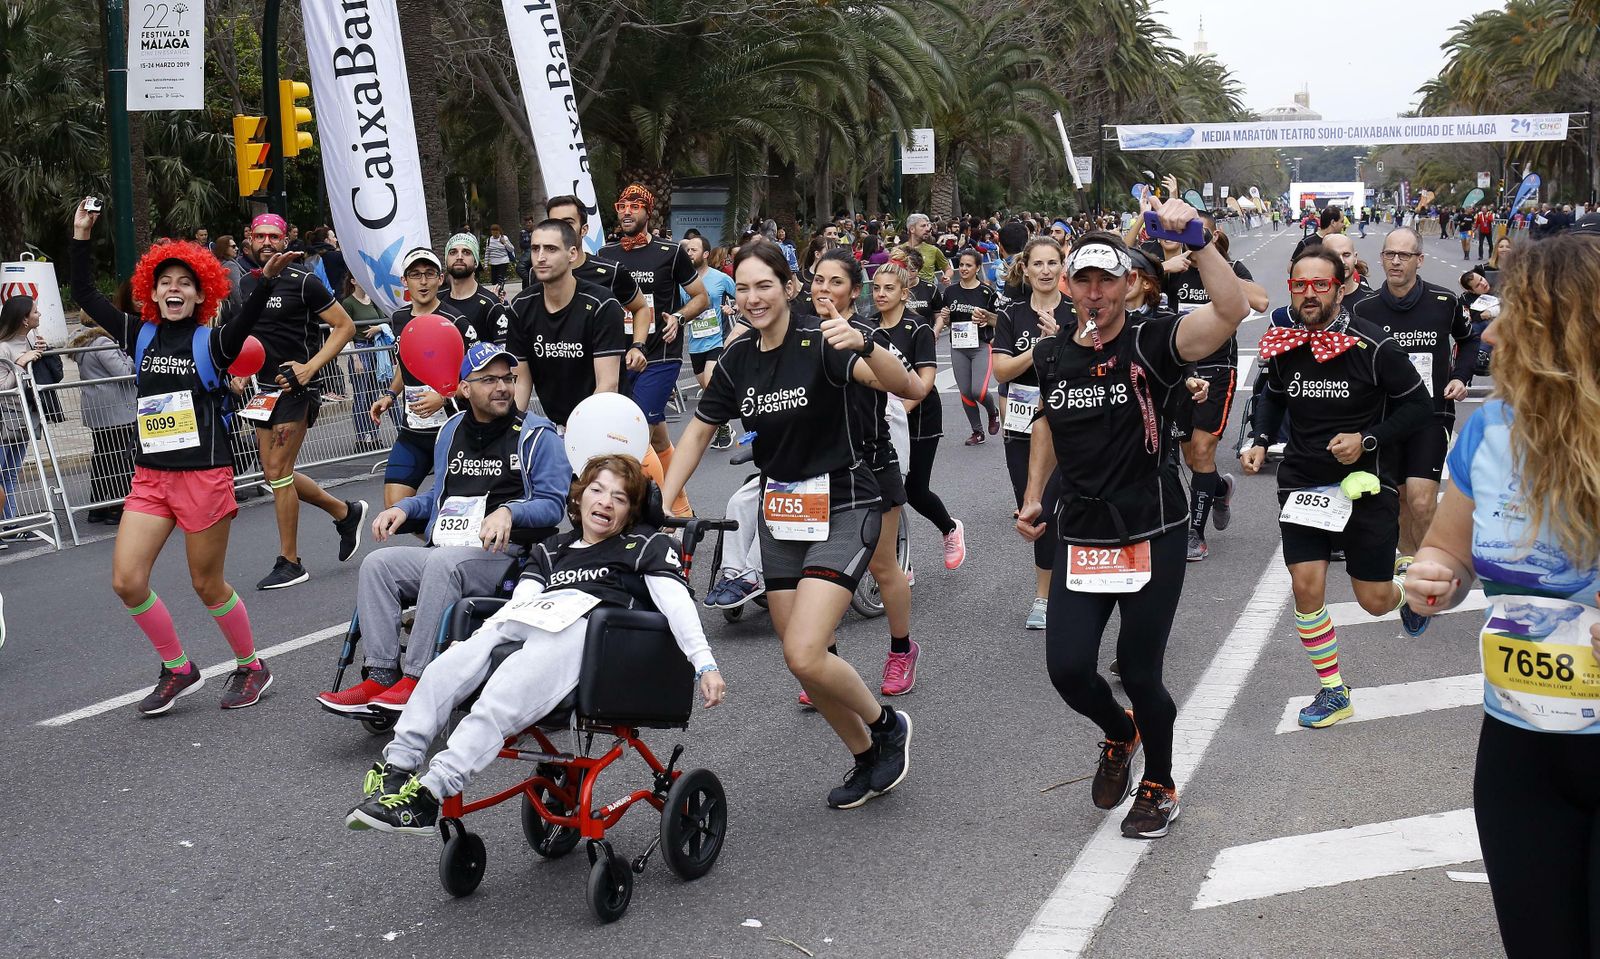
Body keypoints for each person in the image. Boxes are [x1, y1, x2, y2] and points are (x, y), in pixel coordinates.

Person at [1015, 213, 1250, 840]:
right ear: (1067, 287)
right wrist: (1035, 495)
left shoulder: (1153, 342)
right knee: (1067, 669)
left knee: (1138, 669)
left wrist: (1197, 244)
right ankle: (1121, 733)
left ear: (1129, 287)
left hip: (1153, 527)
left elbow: (1229, 313)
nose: (1096, 292)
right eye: (1084, 280)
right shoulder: (1053, 354)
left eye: (1107, 281)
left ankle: (1160, 785)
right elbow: (1047, 424)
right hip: (1082, 530)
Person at [661, 243, 920, 809]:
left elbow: (906, 388)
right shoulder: (737, 360)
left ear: (789, 288)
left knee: (806, 653)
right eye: (744, 288)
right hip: (782, 512)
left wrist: (868, 343)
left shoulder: (820, 341)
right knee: (798, 656)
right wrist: (664, 498)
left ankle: (885, 726)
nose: (753, 299)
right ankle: (865, 755)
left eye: (765, 286)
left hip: (846, 503)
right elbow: (699, 433)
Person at [1401, 234, 1600, 959]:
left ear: (1557, 326)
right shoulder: (1487, 432)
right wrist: (1433, 577)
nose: (1486, 331)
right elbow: (1448, 548)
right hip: (1521, 747)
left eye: (1505, 313)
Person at [345, 454, 724, 833]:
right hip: (537, 619)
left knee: (507, 686)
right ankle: (397, 769)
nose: (606, 502)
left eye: (619, 498)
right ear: (579, 498)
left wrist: (704, 664)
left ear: (630, 512)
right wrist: (487, 635)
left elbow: (677, 605)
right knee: (448, 664)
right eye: (597, 490)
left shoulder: (645, 545)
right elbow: (521, 604)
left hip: (593, 634)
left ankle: (430, 793)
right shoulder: (552, 549)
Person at [71, 199, 293, 713]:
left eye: (185, 282)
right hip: (150, 478)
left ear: (200, 294)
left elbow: (245, 325)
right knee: (127, 581)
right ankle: (178, 667)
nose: (174, 288)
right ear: (152, 292)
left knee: (206, 583)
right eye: (165, 281)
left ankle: (252, 665)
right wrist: (82, 235)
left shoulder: (212, 342)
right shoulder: (139, 334)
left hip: (203, 476)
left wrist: (262, 280)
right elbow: (83, 292)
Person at [1240, 245, 1433, 730]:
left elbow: (1419, 408)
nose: (1308, 294)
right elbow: (1272, 399)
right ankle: (1333, 690)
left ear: (1342, 286)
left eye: (1319, 284)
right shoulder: (1284, 346)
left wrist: (1368, 438)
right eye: (1299, 285)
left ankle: (1405, 597)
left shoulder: (1375, 348)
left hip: (1363, 484)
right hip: (1303, 482)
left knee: (1372, 601)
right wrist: (1260, 439)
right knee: (1306, 586)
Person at [317, 343, 568, 713]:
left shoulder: (537, 435)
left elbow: (553, 504)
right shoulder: (451, 430)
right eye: (489, 380)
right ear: (465, 389)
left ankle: (419, 678)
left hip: (508, 555)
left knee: (442, 563)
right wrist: (403, 509)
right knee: (378, 564)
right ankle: (381, 675)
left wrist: (510, 513)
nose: (501, 387)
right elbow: (438, 495)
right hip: (450, 550)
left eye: (507, 379)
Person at [225, 213, 365, 590]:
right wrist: (238, 371)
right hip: (263, 393)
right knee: (273, 474)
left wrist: (310, 367)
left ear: (286, 239)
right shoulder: (244, 284)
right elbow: (245, 335)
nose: (267, 242)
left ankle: (290, 561)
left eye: (274, 236)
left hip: (296, 389)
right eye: (260, 236)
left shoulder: (303, 281)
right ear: (249, 239)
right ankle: (344, 512)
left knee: (279, 471)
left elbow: (345, 326)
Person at [1353, 227, 1476, 566]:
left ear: (1419, 260)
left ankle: (1430, 565)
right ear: (1381, 258)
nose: (1395, 261)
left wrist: (1460, 376)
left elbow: (1469, 341)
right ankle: (1409, 566)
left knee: (1422, 499)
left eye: (1404, 255)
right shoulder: (1365, 309)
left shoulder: (1445, 301)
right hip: (1386, 417)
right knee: (1402, 499)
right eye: (1389, 254)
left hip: (1431, 413)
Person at [1157, 218, 1269, 561]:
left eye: (1196, 234)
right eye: (1182, 234)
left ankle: (1195, 532)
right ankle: (1219, 489)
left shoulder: (1231, 266)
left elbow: (1261, 302)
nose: (1187, 241)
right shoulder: (1172, 270)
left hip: (1218, 369)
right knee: (1191, 457)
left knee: (1203, 453)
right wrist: (1165, 266)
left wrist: (1214, 266)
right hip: (1178, 371)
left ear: (1212, 235)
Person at [599, 185, 708, 517]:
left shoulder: (670, 252)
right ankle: (683, 509)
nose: (627, 211)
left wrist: (677, 316)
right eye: (622, 205)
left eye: (635, 206)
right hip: (621, 356)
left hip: (661, 354)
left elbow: (701, 298)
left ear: (649, 212)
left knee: (634, 433)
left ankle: (654, 514)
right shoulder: (606, 255)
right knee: (657, 438)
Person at [994, 237, 1072, 630]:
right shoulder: (1011, 315)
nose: (1044, 270)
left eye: (1051, 263)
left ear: (1062, 267)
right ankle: (1048, 592)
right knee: (1035, 509)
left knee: (1057, 505)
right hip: (1020, 425)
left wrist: (1064, 340)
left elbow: (1095, 360)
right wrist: (1043, 346)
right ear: (1025, 269)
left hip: (1069, 424)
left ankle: (1047, 596)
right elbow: (1003, 371)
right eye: (1037, 264)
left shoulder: (1076, 312)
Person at [367, 249, 473, 509]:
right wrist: (391, 395)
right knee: (396, 508)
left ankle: (445, 547)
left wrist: (445, 397)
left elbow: (479, 376)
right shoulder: (399, 318)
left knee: (458, 508)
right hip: (413, 432)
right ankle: (435, 543)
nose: (423, 282)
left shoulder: (456, 321)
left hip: (454, 431)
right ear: (405, 281)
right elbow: (406, 364)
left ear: (440, 279)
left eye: (429, 275)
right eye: (415, 275)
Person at [506, 220, 627, 428]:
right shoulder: (521, 305)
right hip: (557, 423)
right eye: (535, 249)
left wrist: (579, 431)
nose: (541, 257)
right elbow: (521, 381)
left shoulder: (602, 304)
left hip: (607, 420)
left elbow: (608, 384)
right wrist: (511, 429)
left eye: (551, 249)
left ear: (572, 254)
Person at [70, 314, 137, 524]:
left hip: (96, 407)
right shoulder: (103, 342)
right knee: (119, 456)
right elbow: (123, 371)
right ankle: (116, 506)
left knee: (102, 454)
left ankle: (97, 505)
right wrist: (132, 355)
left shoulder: (83, 339)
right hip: (115, 407)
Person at [935, 249, 1002, 444]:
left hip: (980, 345)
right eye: (961, 265)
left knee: (978, 391)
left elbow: (999, 321)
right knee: (965, 392)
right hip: (958, 346)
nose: (963, 269)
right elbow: (947, 319)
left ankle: (992, 411)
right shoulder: (950, 291)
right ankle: (977, 432)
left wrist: (986, 321)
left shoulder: (986, 292)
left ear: (977, 268)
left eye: (968, 265)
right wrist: (945, 320)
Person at [681, 234, 738, 448]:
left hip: (717, 339)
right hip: (696, 343)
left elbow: (740, 295)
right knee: (707, 388)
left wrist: (733, 308)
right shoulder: (683, 281)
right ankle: (724, 424)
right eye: (687, 250)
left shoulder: (720, 278)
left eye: (693, 250)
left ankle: (722, 427)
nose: (689, 253)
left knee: (711, 382)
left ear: (705, 254)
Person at [340, 279, 390, 450]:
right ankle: (361, 438)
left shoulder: (372, 300)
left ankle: (374, 435)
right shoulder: (348, 303)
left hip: (376, 350)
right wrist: (355, 358)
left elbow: (384, 320)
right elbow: (346, 331)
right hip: (360, 350)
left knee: (374, 394)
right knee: (361, 396)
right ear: (353, 281)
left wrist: (378, 328)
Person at [441, 233, 513, 347]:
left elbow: (503, 354)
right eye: (453, 252)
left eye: (466, 252)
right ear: (446, 260)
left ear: (475, 262)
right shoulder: (437, 300)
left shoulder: (491, 304)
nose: (459, 257)